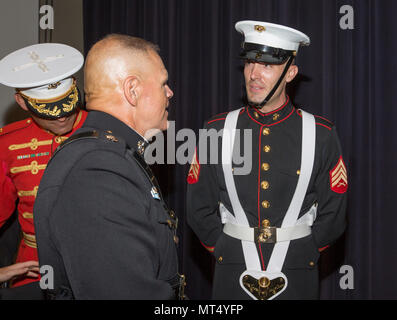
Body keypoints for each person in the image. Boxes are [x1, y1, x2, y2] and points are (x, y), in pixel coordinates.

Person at [187, 21, 347, 300]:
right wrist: (225, 250)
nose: (254, 74)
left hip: (297, 275)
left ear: (291, 73)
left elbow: (334, 214)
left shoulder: (321, 134)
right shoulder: (216, 130)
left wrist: (305, 253)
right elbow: (198, 208)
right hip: (231, 274)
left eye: (268, 66)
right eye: (249, 63)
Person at [34, 34, 183, 300]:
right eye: (163, 83)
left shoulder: (110, 154)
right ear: (132, 90)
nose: (170, 92)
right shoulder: (97, 172)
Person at [0, 43, 88, 293]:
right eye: (48, 110)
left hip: (98, 261)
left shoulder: (106, 130)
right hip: (34, 268)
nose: (61, 116)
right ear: (22, 102)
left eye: (66, 104)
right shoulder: (8, 143)